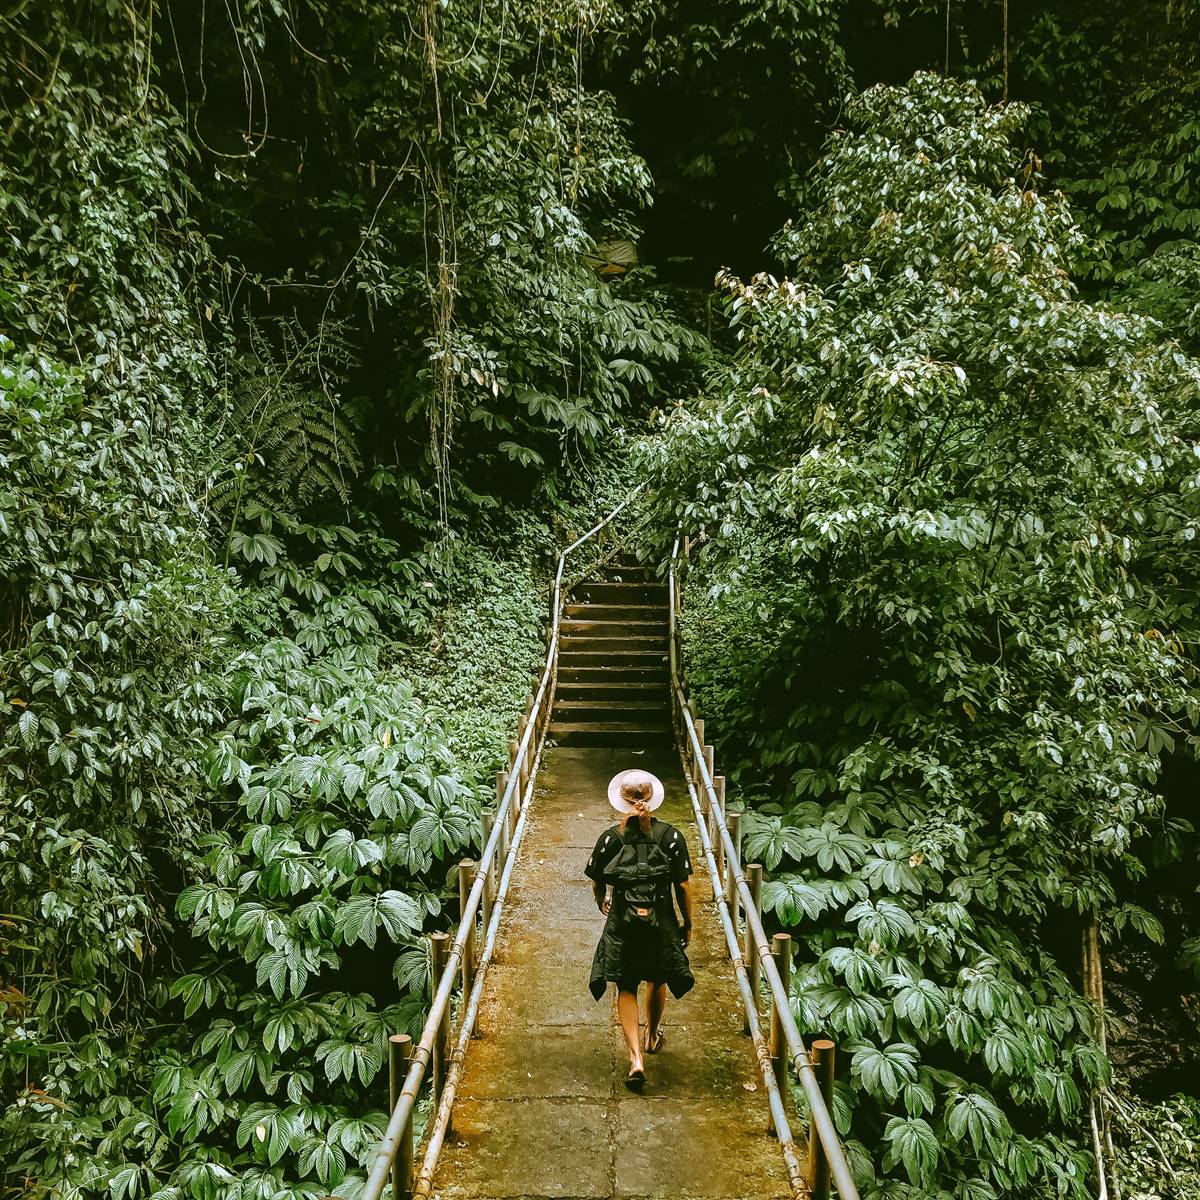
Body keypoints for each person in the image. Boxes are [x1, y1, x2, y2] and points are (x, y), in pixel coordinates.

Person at [585, 768, 694, 1090]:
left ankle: (635, 1058)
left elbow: (596, 878)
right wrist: (687, 923)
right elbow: (684, 886)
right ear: (652, 800)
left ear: (620, 801)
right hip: (660, 919)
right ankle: (652, 1035)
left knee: (626, 983)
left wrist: (602, 900)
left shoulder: (610, 837)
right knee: (657, 976)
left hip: (623, 919)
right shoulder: (671, 836)